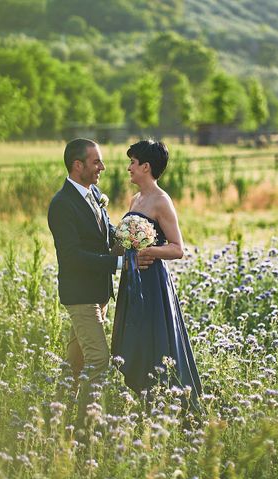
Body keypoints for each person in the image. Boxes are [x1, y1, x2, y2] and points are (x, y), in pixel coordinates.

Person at [47, 138, 152, 435]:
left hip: (99, 293)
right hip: (80, 296)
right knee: (99, 361)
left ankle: (57, 418)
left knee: (74, 364)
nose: (102, 167)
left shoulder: (92, 193)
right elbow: (73, 256)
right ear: (77, 165)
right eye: (96, 162)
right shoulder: (61, 205)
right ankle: (88, 428)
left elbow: (107, 235)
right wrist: (122, 265)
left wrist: (135, 242)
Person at [111, 139, 202, 410]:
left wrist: (149, 251)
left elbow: (177, 249)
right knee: (135, 338)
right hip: (132, 280)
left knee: (155, 340)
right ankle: (141, 399)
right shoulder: (135, 199)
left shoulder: (162, 201)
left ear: (146, 167)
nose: (129, 168)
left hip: (152, 282)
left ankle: (166, 400)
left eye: (133, 163)